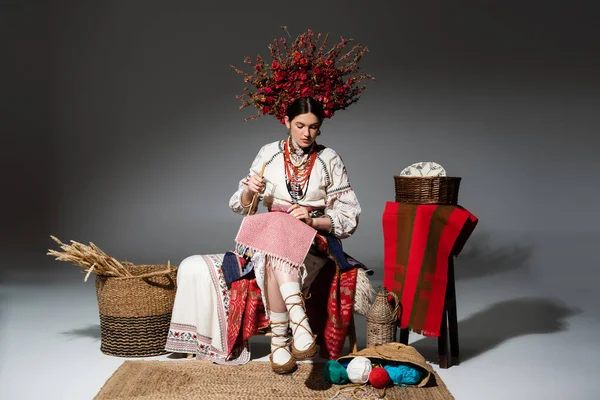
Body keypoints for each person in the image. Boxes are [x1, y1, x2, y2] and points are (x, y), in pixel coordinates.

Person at [165, 97, 362, 374]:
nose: (306, 133)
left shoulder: (329, 159)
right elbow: (241, 204)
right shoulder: (268, 153)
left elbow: (349, 216)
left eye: (314, 127)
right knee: (273, 229)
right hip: (269, 237)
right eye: (300, 125)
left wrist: (313, 219)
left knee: (275, 235)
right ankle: (298, 324)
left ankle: (280, 342)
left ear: (320, 128)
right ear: (287, 123)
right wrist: (249, 189)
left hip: (311, 240)